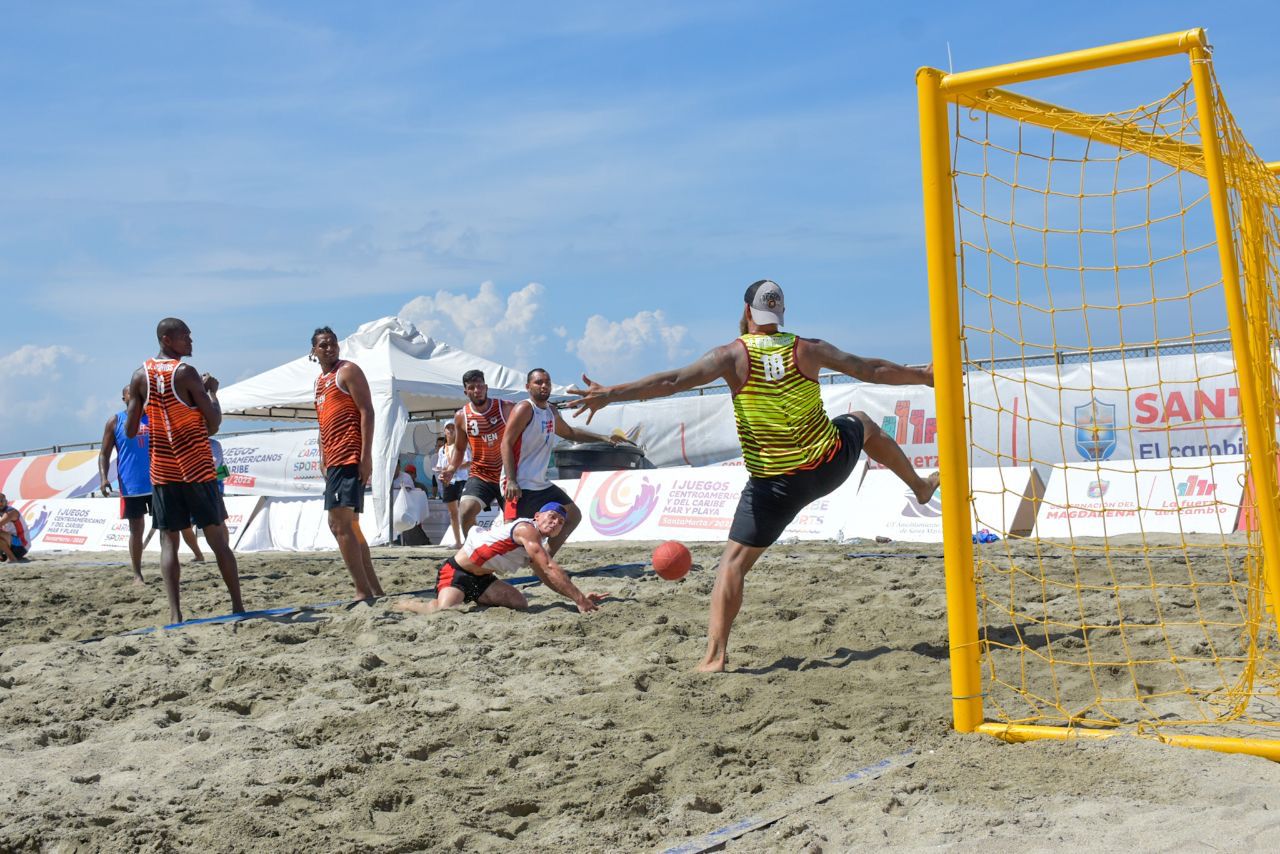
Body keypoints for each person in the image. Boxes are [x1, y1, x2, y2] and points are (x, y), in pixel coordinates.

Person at [568, 280, 939, 672]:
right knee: (862, 422)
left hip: (775, 486)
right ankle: (918, 486)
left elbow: (671, 382)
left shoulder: (731, 356)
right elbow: (871, 369)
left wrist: (610, 394)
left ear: (747, 311)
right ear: (780, 315)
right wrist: (925, 376)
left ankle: (714, 658)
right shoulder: (809, 348)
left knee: (731, 565)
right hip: (827, 465)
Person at [126, 317, 244, 624]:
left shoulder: (140, 376)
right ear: (167, 339)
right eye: (185, 336)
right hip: (196, 468)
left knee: (169, 542)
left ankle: (176, 613)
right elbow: (213, 422)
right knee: (217, 539)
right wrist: (213, 393)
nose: (191, 341)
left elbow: (129, 429)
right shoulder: (186, 373)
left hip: (163, 472)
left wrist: (152, 415)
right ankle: (237, 605)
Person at [392, 502, 606, 615]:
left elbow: (546, 577)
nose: (554, 522)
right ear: (537, 516)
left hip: (483, 580)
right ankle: (404, 604)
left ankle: (473, 597)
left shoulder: (535, 544)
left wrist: (577, 596)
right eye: (551, 516)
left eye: (560, 522)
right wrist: (579, 599)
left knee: (519, 603)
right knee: (442, 611)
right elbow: (550, 567)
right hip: (457, 572)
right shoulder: (526, 529)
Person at [501, 367, 628, 556]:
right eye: (539, 382)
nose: (544, 386)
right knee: (508, 538)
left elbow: (569, 433)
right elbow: (506, 443)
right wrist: (511, 479)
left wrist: (604, 437)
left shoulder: (551, 410)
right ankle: (483, 568)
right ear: (528, 387)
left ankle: (544, 560)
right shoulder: (525, 408)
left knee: (573, 516)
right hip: (519, 483)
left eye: (547, 382)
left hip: (539, 484)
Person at [99, 385, 206, 584]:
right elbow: (104, 453)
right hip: (132, 485)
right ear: (123, 398)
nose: (135, 396)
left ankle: (170, 569)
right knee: (136, 529)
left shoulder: (155, 417)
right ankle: (137, 574)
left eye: (139, 393)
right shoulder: (116, 421)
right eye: (130, 393)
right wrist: (104, 478)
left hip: (160, 479)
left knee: (167, 528)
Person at [311, 326, 384, 601]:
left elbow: (367, 411)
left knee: (339, 525)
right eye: (323, 345)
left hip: (349, 456)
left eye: (332, 343)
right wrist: (322, 456)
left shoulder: (348, 370)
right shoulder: (320, 381)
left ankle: (362, 590)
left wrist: (366, 457)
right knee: (350, 526)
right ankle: (373, 588)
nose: (329, 348)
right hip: (334, 460)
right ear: (314, 351)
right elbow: (322, 422)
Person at [441, 370, 514, 539]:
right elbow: (459, 448)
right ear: (466, 391)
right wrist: (451, 468)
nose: (477, 390)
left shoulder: (505, 407)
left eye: (480, 386)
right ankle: (474, 554)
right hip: (481, 474)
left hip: (507, 474)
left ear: (486, 387)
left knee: (513, 523)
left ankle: (511, 554)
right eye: (471, 387)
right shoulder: (461, 416)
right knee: (465, 512)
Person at [436, 422, 469, 549]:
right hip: (448, 482)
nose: (450, 430)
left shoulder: (461, 446)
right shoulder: (442, 449)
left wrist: (452, 468)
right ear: (444, 431)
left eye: (452, 428)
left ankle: (468, 541)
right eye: (448, 428)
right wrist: (441, 473)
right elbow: (440, 467)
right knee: (453, 513)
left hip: (461, 480)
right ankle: (458, 542)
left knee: (465, 512)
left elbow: (468, 463)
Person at [0, 493, 31, 563]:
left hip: (22, 545)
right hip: (13, 543)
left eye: (2, 501)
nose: (1, 503)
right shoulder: (2, 512)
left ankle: (12, 558)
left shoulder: (11, 512)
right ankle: (3, 555)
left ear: (6, 501)